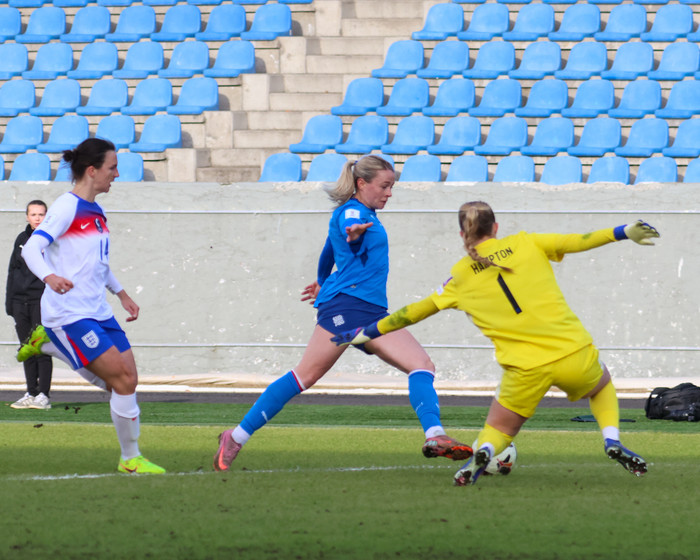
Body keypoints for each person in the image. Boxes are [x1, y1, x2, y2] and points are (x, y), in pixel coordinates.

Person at [331, 201, 660, 486]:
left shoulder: (459, 276)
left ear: (462, 234)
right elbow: (577, 240)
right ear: (496, 227)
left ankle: (485, 451)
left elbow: (414, 312)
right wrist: (623, 231)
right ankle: (611, 439)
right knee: (601, 387)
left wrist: (366, 333)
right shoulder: (527, 243)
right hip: (573, 351)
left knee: (500, 428)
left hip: (524, 368)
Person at [214, 155, 472, 471]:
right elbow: (349, 228)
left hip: (369, 311)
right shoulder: (354, 213)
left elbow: (328, 251)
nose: (389, 193)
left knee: (421, 365)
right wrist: (353, 233)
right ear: (362, 183)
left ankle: (435, 436)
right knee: (304, 376)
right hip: (348, 309)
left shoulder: (365, 215)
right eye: (384, 186)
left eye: (391, 186)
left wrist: (323, 280)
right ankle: (235, 437)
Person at [18, 138, 165, 475]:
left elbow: (98, 263)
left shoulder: (96, 211)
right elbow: (32, 249)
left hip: (99, 311)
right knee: (122, 381)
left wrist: (122, 294)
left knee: (127, 381)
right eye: (112, 168)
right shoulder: (65, 207)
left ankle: (50, 345)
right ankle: (130, 459)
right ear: (92, 170)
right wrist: (50, 277)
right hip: (69, 313)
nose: (117, 174)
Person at [6, 200, 54, 410]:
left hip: (41, 301)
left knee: (40, 347)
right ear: (27, 217)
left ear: (46, 216)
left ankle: (43, 395)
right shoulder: (21, 239)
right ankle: (31, 392)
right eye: (33, 214)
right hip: (19, 301)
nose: (37, 218)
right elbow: (12, 270)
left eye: (41, 214)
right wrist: (10, 301)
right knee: (27, 348)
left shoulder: (51, 241)